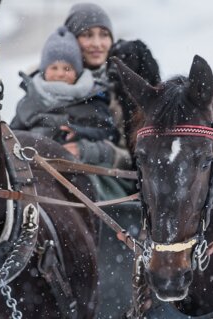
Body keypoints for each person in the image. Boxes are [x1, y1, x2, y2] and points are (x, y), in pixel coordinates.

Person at [64, 2, 161, 196]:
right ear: (71, 40)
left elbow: (140, 158)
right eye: (87, 35)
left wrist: (91, 151)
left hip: (114, 192)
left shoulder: (124, 87)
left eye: (104, 34)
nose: (97, 44)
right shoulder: (50, 79)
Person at [10, 27, 117, 166]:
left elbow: (108, 133)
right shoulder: (29, 102)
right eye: (54, 68)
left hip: (77, 170)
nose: (60, 74)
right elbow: (11, 136)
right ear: (44, 71)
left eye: (67, 68)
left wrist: (80, 133)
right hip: (31, 169)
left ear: (77, 72)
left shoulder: (92, 101)